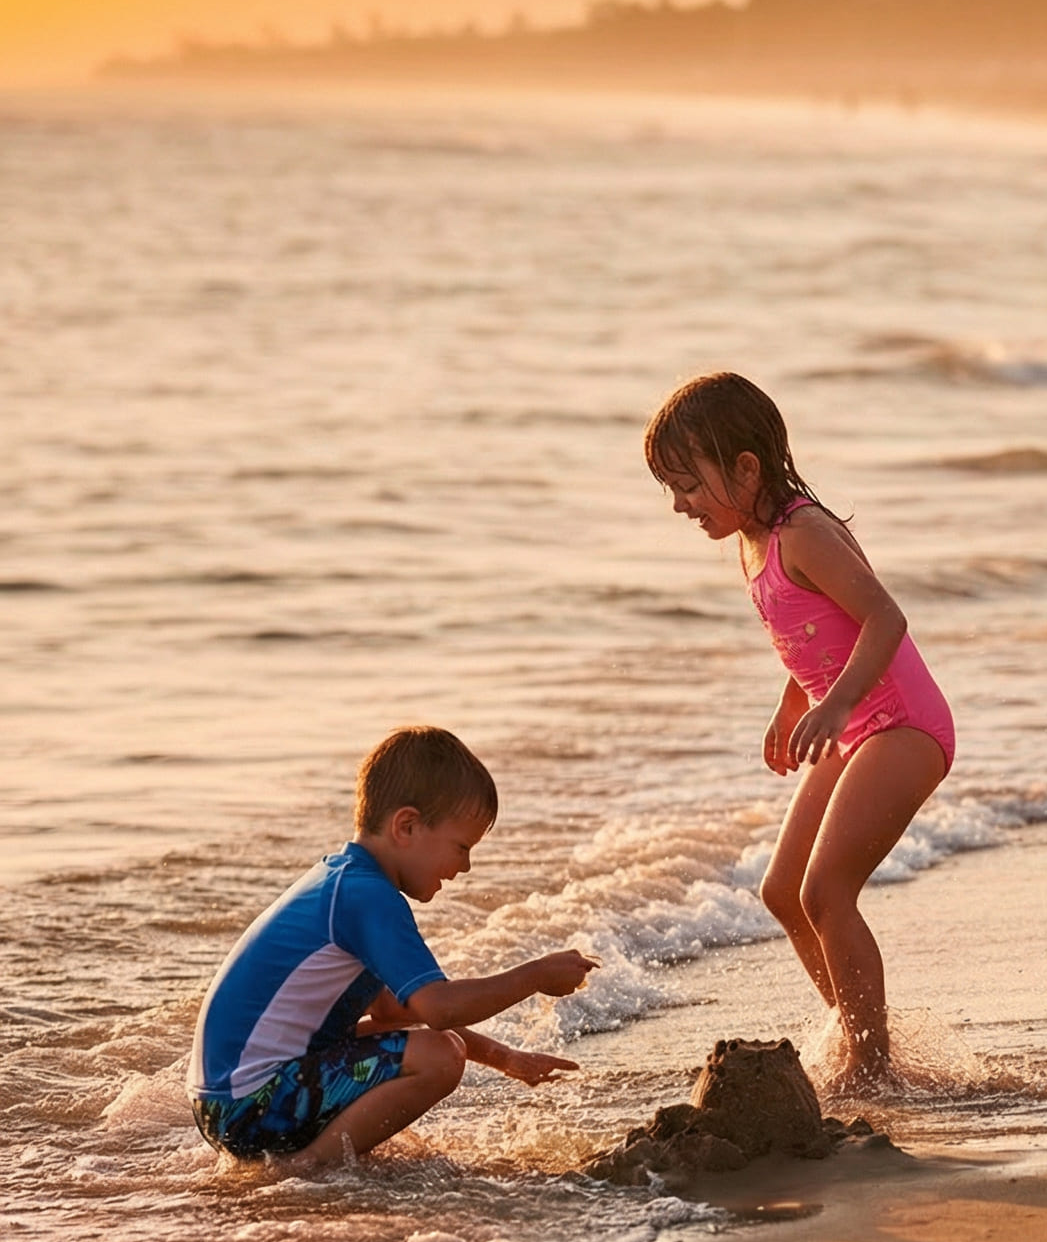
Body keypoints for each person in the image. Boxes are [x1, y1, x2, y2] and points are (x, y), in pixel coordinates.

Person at [644, 371, 953, 1079]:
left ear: (746, 468)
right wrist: (794, 701)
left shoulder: (805, 531)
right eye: (671, 488)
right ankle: (858, 1031)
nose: (678, 505)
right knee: (783, 892)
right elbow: (819, 633)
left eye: (688, 485)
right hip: (855, 724)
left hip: (899, 724)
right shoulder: (755, 542)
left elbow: (884, 618)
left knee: (826, 892)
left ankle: (871, 1067)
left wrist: (836, 704)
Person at [187, 726, 597, 1167]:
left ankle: (308, 1155)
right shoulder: (368, 896)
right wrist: (534, 976)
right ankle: (305, 1168)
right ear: (407, 826)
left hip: (226, 1101)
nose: (466, 866)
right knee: (439, 1057)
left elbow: (395, 1014)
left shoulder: (343, 880)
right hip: (252, 1103)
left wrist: (507, 1058)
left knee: (422, 1041)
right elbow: (441, 1010)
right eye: (461, 847)